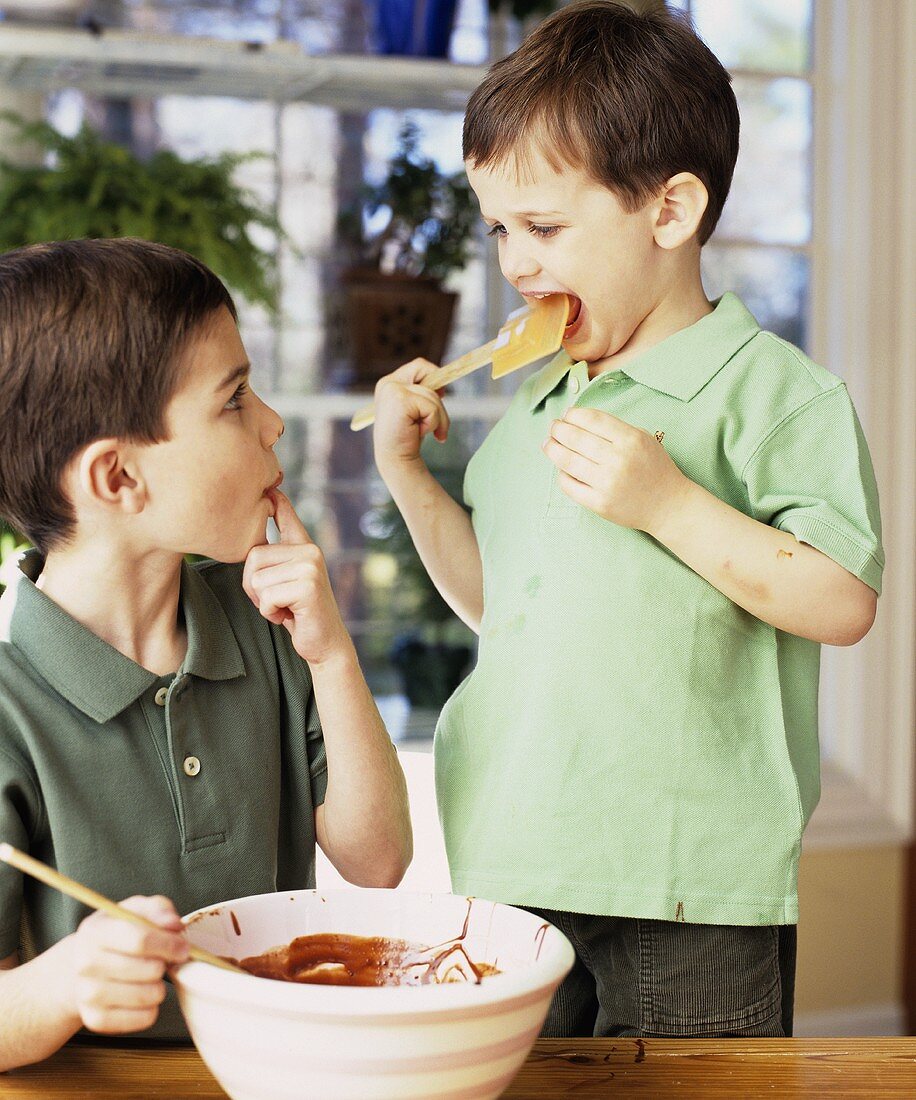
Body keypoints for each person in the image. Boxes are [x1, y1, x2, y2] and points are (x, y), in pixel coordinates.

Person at [371, 1, 882, 1038]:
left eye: (546, 227)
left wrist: (669, 503)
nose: (514, 262)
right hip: (513, 858)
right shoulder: (533, 406)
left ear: (669, 210)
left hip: (687, 873)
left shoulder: (774, 393)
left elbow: (840, 599)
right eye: (500, 228)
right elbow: (495, 604)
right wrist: (410, 478)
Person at [0, 238, 412, 1070]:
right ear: (118, 479)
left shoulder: (269, 622)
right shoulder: (10, 707)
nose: (272, 422)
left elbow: (379, 862)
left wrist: (330, 655)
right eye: (233, 401)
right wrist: (67, 980)